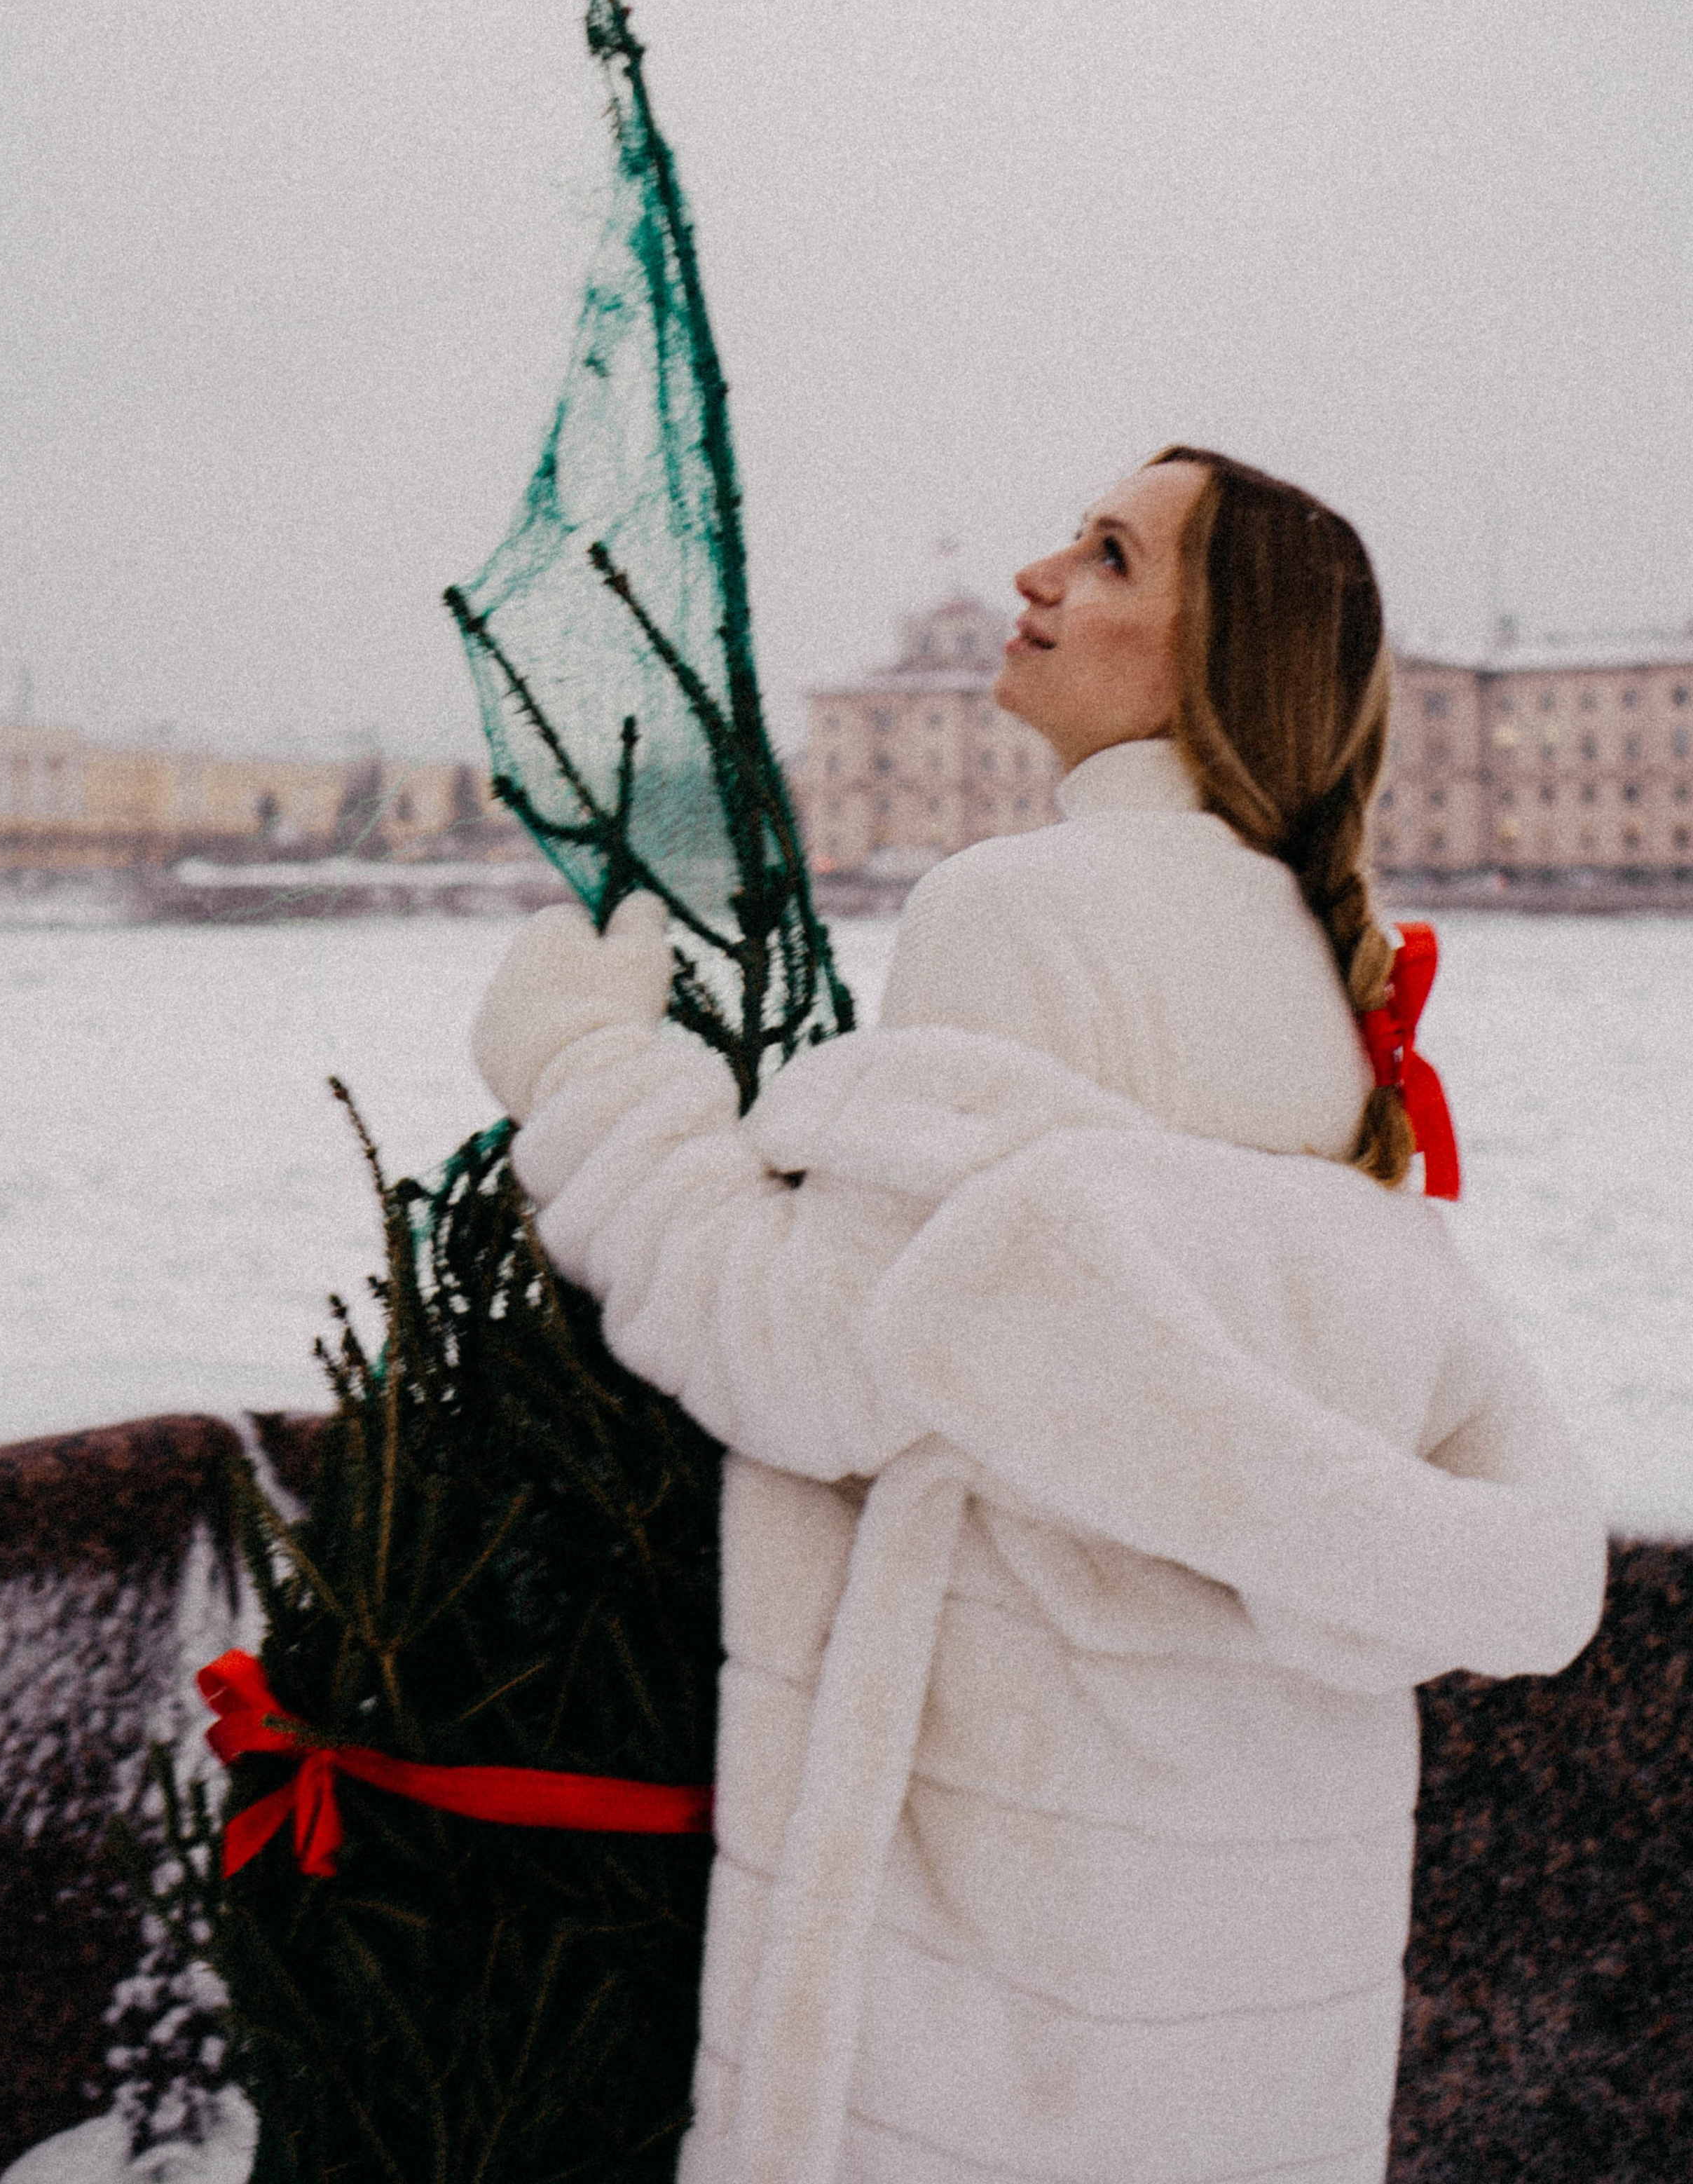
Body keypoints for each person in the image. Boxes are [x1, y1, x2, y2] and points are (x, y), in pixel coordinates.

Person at [469, 449, 1605, 2184]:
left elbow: (809, 1362)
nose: (1034, 575)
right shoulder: (1321, 968)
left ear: (1212, 652)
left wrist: (594, 1074)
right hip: (1249, 1917)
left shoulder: (1018, 907)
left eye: (1105, 556)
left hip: (1008, 1940)